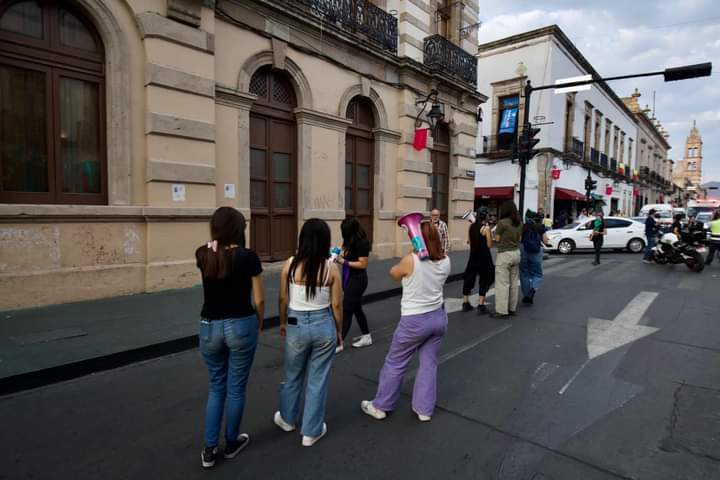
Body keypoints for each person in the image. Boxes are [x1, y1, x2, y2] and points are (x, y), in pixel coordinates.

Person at [360, 221, 451, 422]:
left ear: (417, 237)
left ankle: (381, 405)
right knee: (428, 363)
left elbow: (393, 273)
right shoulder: (446, 260)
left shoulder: (411, 260)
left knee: (395, 362)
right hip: (438, 317)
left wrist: (413, 252)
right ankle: (424, 410)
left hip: (415, 320)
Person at [195, 207, 265, 469]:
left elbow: (215, 267)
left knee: (216, 387)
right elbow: (258, 298)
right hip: (240, 324)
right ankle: (232, 441)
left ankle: (209, 449)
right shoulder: (248, 257)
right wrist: (258, 322)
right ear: (239, 228)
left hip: (209, 326)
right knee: (236, 388)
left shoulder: (202, 254)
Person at [274, 219, 343, 447]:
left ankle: (287, 418)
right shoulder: (331, 268)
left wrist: (283, 322)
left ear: (302, 239)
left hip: (295, 321)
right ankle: (311, 432)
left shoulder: (290, 265)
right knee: (318, 379)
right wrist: (339, 330)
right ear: (325, 241)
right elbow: (336, 305)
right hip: (324, 324)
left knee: (292, 374)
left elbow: (283, 298)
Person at [337, 217, 372, 351]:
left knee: (347, 309)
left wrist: (344, 262)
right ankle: (366, 336)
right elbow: (345, 254)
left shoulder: (362, 243)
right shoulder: (349, 241)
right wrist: (336, 253)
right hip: (349, 278)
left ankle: (339, 343)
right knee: (357, 309)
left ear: (350, 231)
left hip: (358, 280)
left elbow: (363, 264)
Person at [491, 201, 523, 319]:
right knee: (513, 283)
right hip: (516, 253)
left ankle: (502, 311)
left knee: (502, 284)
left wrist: (493, 235)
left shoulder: (502, 223)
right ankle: (511, 308)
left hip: (504, 254)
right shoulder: (519, 223)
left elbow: (497, 239)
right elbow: (520, 238)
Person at [461, 207, 495, 315]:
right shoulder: (486, 228)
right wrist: (489, 233)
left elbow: (469, 242)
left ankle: (465, 303)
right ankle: (481, 305)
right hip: (484, 257)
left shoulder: (471, 226)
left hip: (473, 256)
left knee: (469, 277)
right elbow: (489, 245)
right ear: (485, 216)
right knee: (485, 279)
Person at [520, 210, 549, 305]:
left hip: (524, 251)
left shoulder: (523, 226)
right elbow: (545, 241)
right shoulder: (540, 226)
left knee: (524, 273)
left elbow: (519, 239)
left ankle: (526, 295)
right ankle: (532, 291)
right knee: (537, 274)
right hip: (536, 252)